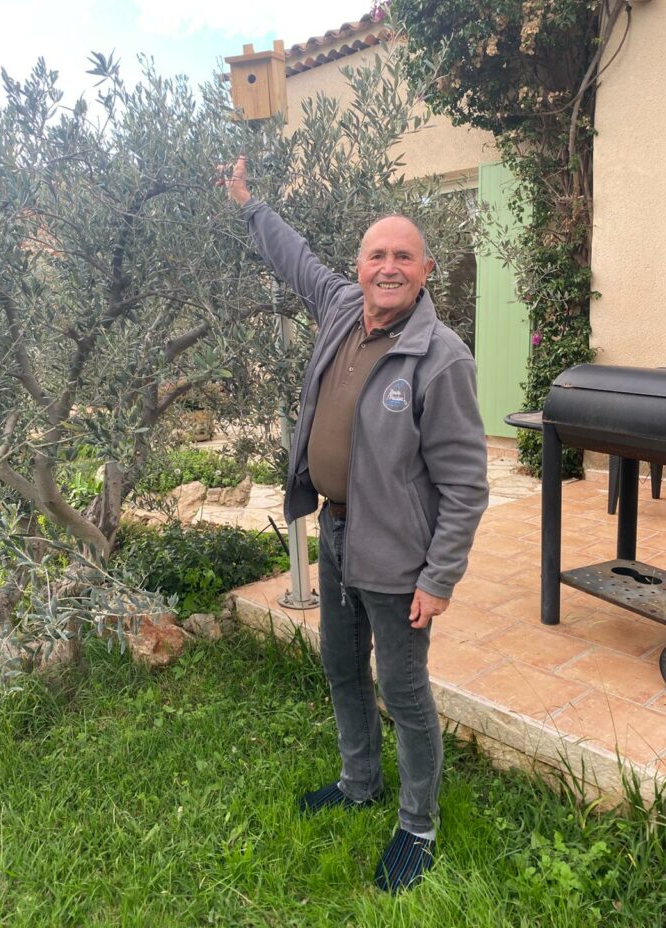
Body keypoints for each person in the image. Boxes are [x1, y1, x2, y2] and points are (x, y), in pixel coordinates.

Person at [224, 155, 489, 893]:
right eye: (377, 255)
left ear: (427, 270)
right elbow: (295, 259)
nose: (389, 267)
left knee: (403, 691)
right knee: (341, 667)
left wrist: (439, 578)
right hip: (337, 533)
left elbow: (466, 485)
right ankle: (359, 782)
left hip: (400, 557)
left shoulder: (441, 358)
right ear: (360, 267)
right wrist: (249, 205)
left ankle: (418, 827)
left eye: (404, 256)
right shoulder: (342, 308)